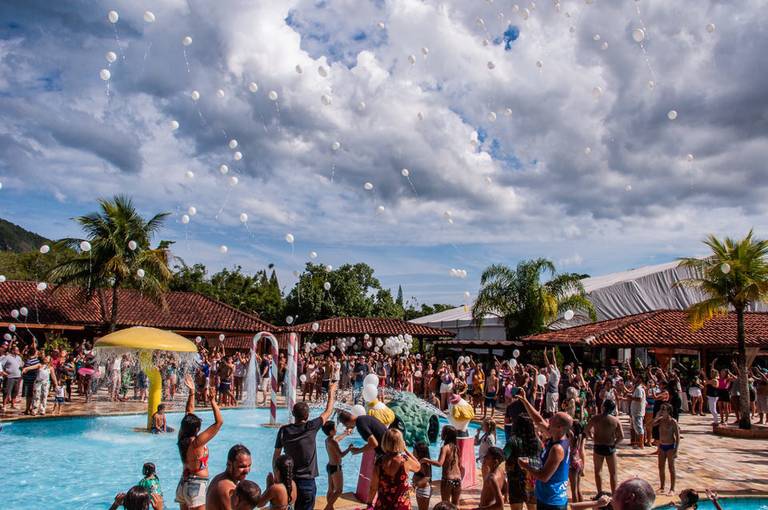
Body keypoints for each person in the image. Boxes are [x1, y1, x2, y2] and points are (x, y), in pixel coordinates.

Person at [273, 382, 337, 510]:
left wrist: (277, 476)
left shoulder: (284, 431)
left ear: (293, 414)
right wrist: (331, 392)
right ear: (307, 416)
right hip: (306, 482)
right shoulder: (311, 427)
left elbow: (276, 456)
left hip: (288, 480)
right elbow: (328, 411)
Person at [514, 392, 573, 510]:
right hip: (547, 497)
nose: (550, 419)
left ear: (559, 428)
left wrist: (526, 466)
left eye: (553, 419)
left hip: (552, 501)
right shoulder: (556, 436)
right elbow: (539, 421)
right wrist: (525, 400)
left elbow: (544, 476)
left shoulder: (557, 449)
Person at [176, 374, 224, 510]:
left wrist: (192, 392)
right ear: (197, 429)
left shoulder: (181, 437)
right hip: (196, 486)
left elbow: (188, 413)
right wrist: (213, 401)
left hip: (183, 484)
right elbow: (219, 422)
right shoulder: (197, 443)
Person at [367, 429, 421, 510]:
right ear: (400, 442)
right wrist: (405, 449)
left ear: (385, 442)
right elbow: (418, 466)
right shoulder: (405, 460)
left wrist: (369, 503)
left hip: (383, 505)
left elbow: (373, 487)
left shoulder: (379, 462)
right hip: (401, 506)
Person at [504, 413, 541, 510]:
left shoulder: (512, 441)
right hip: (532, 480)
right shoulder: (537, 441)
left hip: (515, 480)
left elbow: (504, 456)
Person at [586, 399, 624, 494]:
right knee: (613, 473)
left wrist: (592, 438)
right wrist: (615, 443)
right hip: (610, 447)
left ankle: (599, 493)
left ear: (603, 407)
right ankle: (614, 494)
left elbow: (586, 430)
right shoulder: (615, 420)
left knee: (598, 471)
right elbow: (621, 436)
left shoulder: (595, 418)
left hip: (598, 446)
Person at [422, 425, 463, 506]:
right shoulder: (456, 447)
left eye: (442, 432)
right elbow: (460, 464)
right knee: (456, 505)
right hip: (458, 479)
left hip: (448, 480)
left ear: (446, 435)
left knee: (445, 504)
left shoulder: (445, 448)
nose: (441, 434)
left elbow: (439, 463)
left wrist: (426, 460)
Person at [207, 444, 253, 510]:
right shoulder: (228, 490)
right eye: (242, 466)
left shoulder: (219, 478)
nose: (247, 471)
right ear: (229, 464)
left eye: (249, 465)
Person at [322, 420, 351, 510]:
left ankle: (330, 508)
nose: (336, 429)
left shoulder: (328, 440)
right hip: (336, 468)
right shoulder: (333, 442)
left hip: (330, 466)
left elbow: (337, 439)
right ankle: (327, 508)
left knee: (330, 490)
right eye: (335, 427)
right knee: (339, 490)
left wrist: (346, 433)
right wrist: (349, 448)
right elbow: (341, 454)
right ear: (331, 431)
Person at [653, 403, 680, 495]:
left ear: (668, 411)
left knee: (671, 467)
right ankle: (662, 487)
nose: (661, 411)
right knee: (661, 467)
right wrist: (657, 416)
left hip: (670, 447)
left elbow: (677, 437)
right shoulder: (660, 420)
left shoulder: (673, 422)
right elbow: (651, 425)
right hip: (661, 446)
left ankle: (672, 489)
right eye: (661, 409)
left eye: (663, 409)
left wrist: (676, 450)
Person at [411, 442, 433, 510]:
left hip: (424, 490)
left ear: (420, 452)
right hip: (420, 489)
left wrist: (416, 484)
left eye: (414, 450)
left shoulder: (424, 463)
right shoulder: (419, 461)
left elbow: (427, 477)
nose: (413, 452)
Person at [628, 375, 646, 449]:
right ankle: (639, 443)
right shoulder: (638, 388)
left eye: (637, 378)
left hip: (637, 411)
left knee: (639, 427)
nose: (635, 379)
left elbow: (639, 399)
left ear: (640, 379)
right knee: (637, 427)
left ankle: (641, 444)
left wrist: (631, 397)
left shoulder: (639, 389)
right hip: (637, 411)